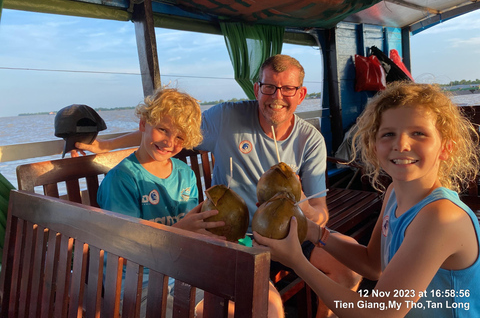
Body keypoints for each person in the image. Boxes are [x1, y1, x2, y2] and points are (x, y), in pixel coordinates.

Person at [76, 55, 361, 317]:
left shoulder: (310, 139)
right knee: (262, 303)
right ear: (256, 88)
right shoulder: (226, 117)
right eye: (269, 87)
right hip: (240, 240)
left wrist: (307, 208)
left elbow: (320, 211)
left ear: (301, 94)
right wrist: (105, 145)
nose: (277, 96)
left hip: (289, 236)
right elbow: (167, 129)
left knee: (349, 267)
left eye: (287, 89)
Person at [254, 81, 480, 317]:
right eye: (389, 134)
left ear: (446, 148)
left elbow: (378, 313)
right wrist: (311, 230)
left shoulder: (441, 218)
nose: (401, 144)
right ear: (373, 147)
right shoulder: (394, 193)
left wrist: (297, 262)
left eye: (419, 133)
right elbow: (373, 265)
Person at [97, 87, 226, 316]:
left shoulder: (185, 174)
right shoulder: (123, 179)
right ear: (144, 124)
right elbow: (126, 251)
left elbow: (193, 231)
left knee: (237, 300)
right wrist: (178, 231)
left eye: (179, 137)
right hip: (139, 285)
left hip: (182, 274)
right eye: (163, 129)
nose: (169, 142)